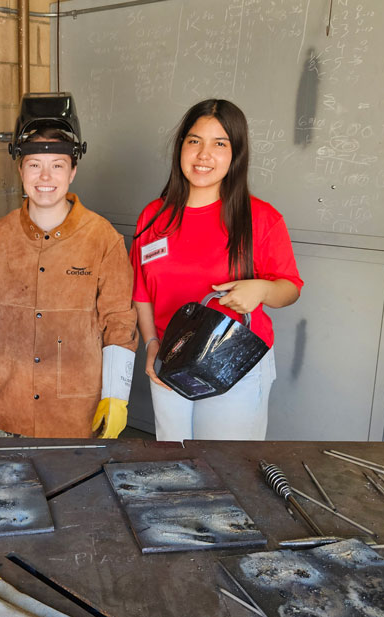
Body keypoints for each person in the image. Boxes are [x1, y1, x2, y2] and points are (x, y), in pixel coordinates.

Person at [132, 99, 303, 442]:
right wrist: (151, 342)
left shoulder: (261, 218)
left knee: (227, 465)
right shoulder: (154, 216)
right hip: (172, 357)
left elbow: (291, 287)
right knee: (175, 458)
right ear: (181, 147)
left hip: (233, 360)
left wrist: (262, 290)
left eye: (219, 144)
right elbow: (141, 292)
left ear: (235, 153)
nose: (203, 155)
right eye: (194, 141)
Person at [0, 129, 138, 438]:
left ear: (73, 171)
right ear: (20, 170)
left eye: (57, 165)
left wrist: (116, 396)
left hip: (76, 416)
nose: (45, 176)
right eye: (34, 164)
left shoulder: (102, 238)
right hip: (10, 409)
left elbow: (119, 320)